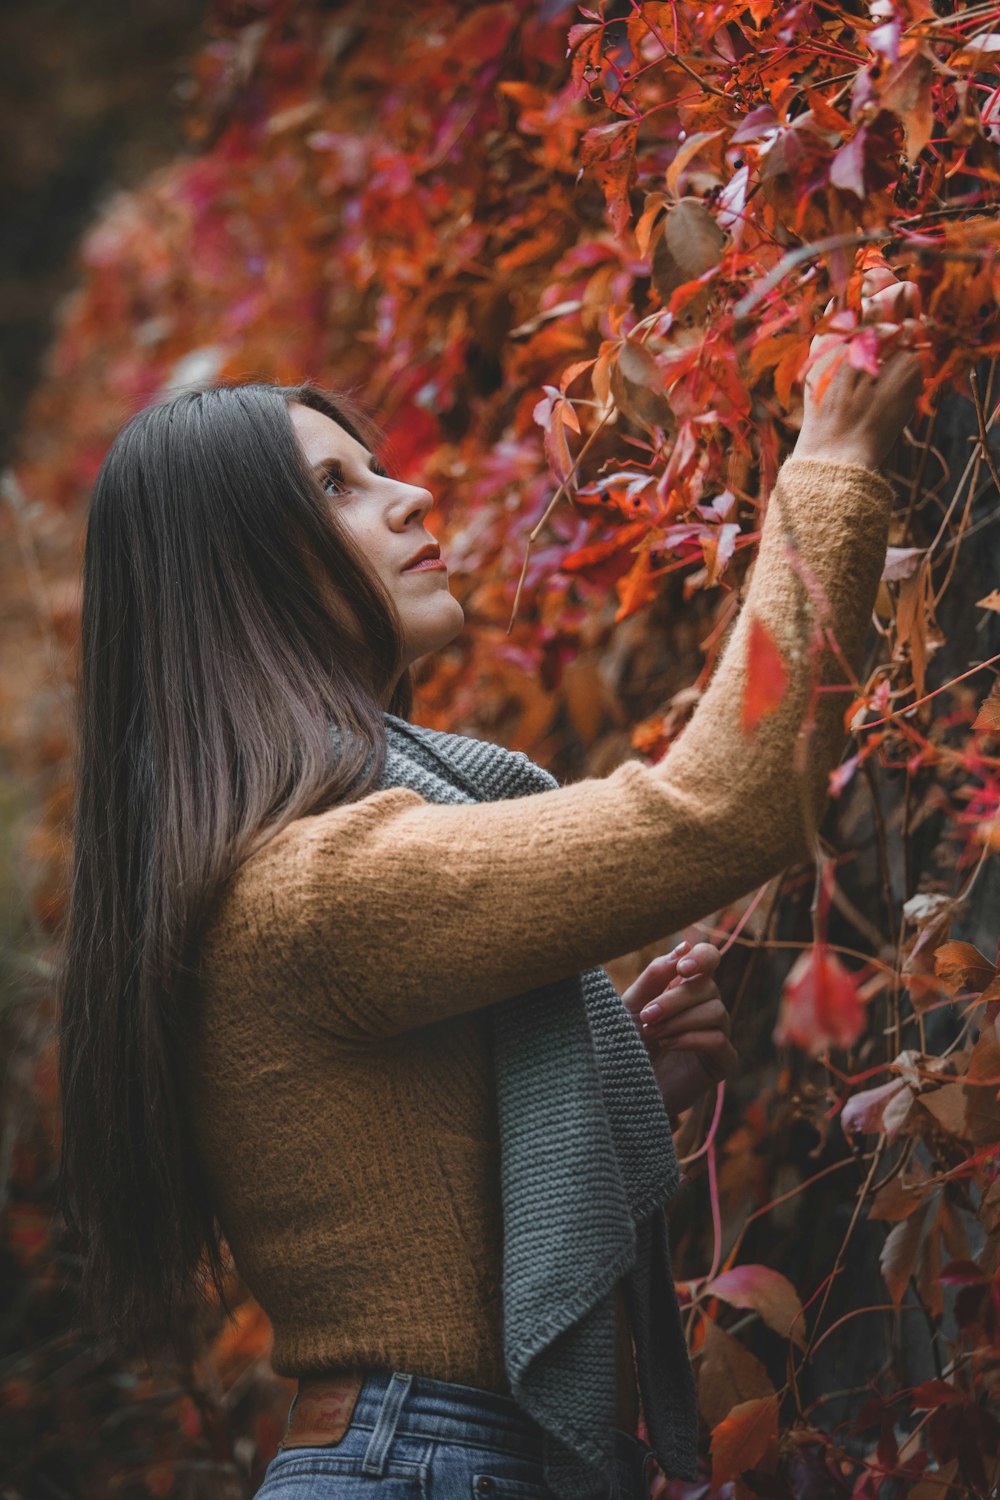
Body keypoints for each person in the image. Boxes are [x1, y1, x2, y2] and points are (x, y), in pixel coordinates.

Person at [57, 267, 925, 1500]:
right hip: (424, 1465)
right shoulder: (320, 882)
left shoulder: (282, 866)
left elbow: (401, 1199)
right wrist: (828, 458)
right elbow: (723, 805)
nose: (412, 497)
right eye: (335, 488)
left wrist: (605, 1070)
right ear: (234, 573)